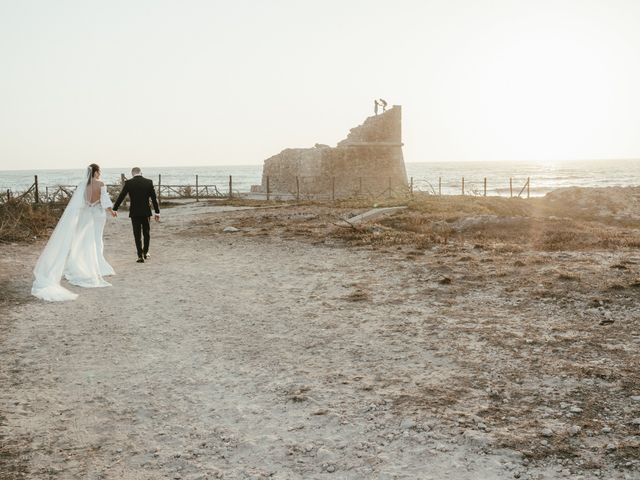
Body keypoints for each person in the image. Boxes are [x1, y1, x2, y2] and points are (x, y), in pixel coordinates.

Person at [32, 164, 117, 301]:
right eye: (99, 171)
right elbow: (105, 201)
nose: (99, 173)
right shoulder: (101, 184)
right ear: (95, 172)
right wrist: (112, 212)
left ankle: (82, 264)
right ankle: (99, 266)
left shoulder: (82, 184)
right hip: (97, 214)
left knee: (83, 240)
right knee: (96, 239)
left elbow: (80, 202)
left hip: (85, 214)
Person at [112, 167, 160, 263]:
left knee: (137, 234)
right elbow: (154, 199)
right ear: (141, 172)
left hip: (134, 212)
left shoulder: (129, 183)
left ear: (132, 173)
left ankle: (140, 256)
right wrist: (157, 212)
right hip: (146, 212)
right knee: (146, 233)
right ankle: (145, 252)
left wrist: (115, 208)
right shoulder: (148, 182)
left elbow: (121, 196)